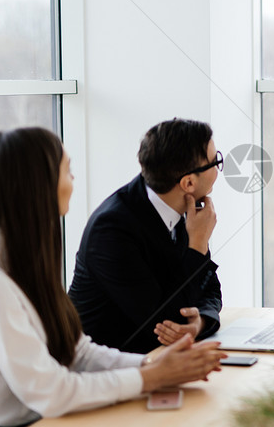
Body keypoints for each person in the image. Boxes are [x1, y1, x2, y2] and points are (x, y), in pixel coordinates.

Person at [0, 127, 226, 427]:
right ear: (37, 186)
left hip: (30, 425)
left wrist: (149, 366)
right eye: (67, 170)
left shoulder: (24, 266)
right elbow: (52, 392)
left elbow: (78, 353)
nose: (73, 180)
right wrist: (151, 378)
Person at [68, 119, 223, 354]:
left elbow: (210, 290)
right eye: (216, 162)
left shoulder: (181, 208)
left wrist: (199, 323)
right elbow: (167, 321)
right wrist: (198, 244)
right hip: (104, 372)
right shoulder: (112, 230)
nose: (218, 168)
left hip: (153, 359)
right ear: (188, 182)